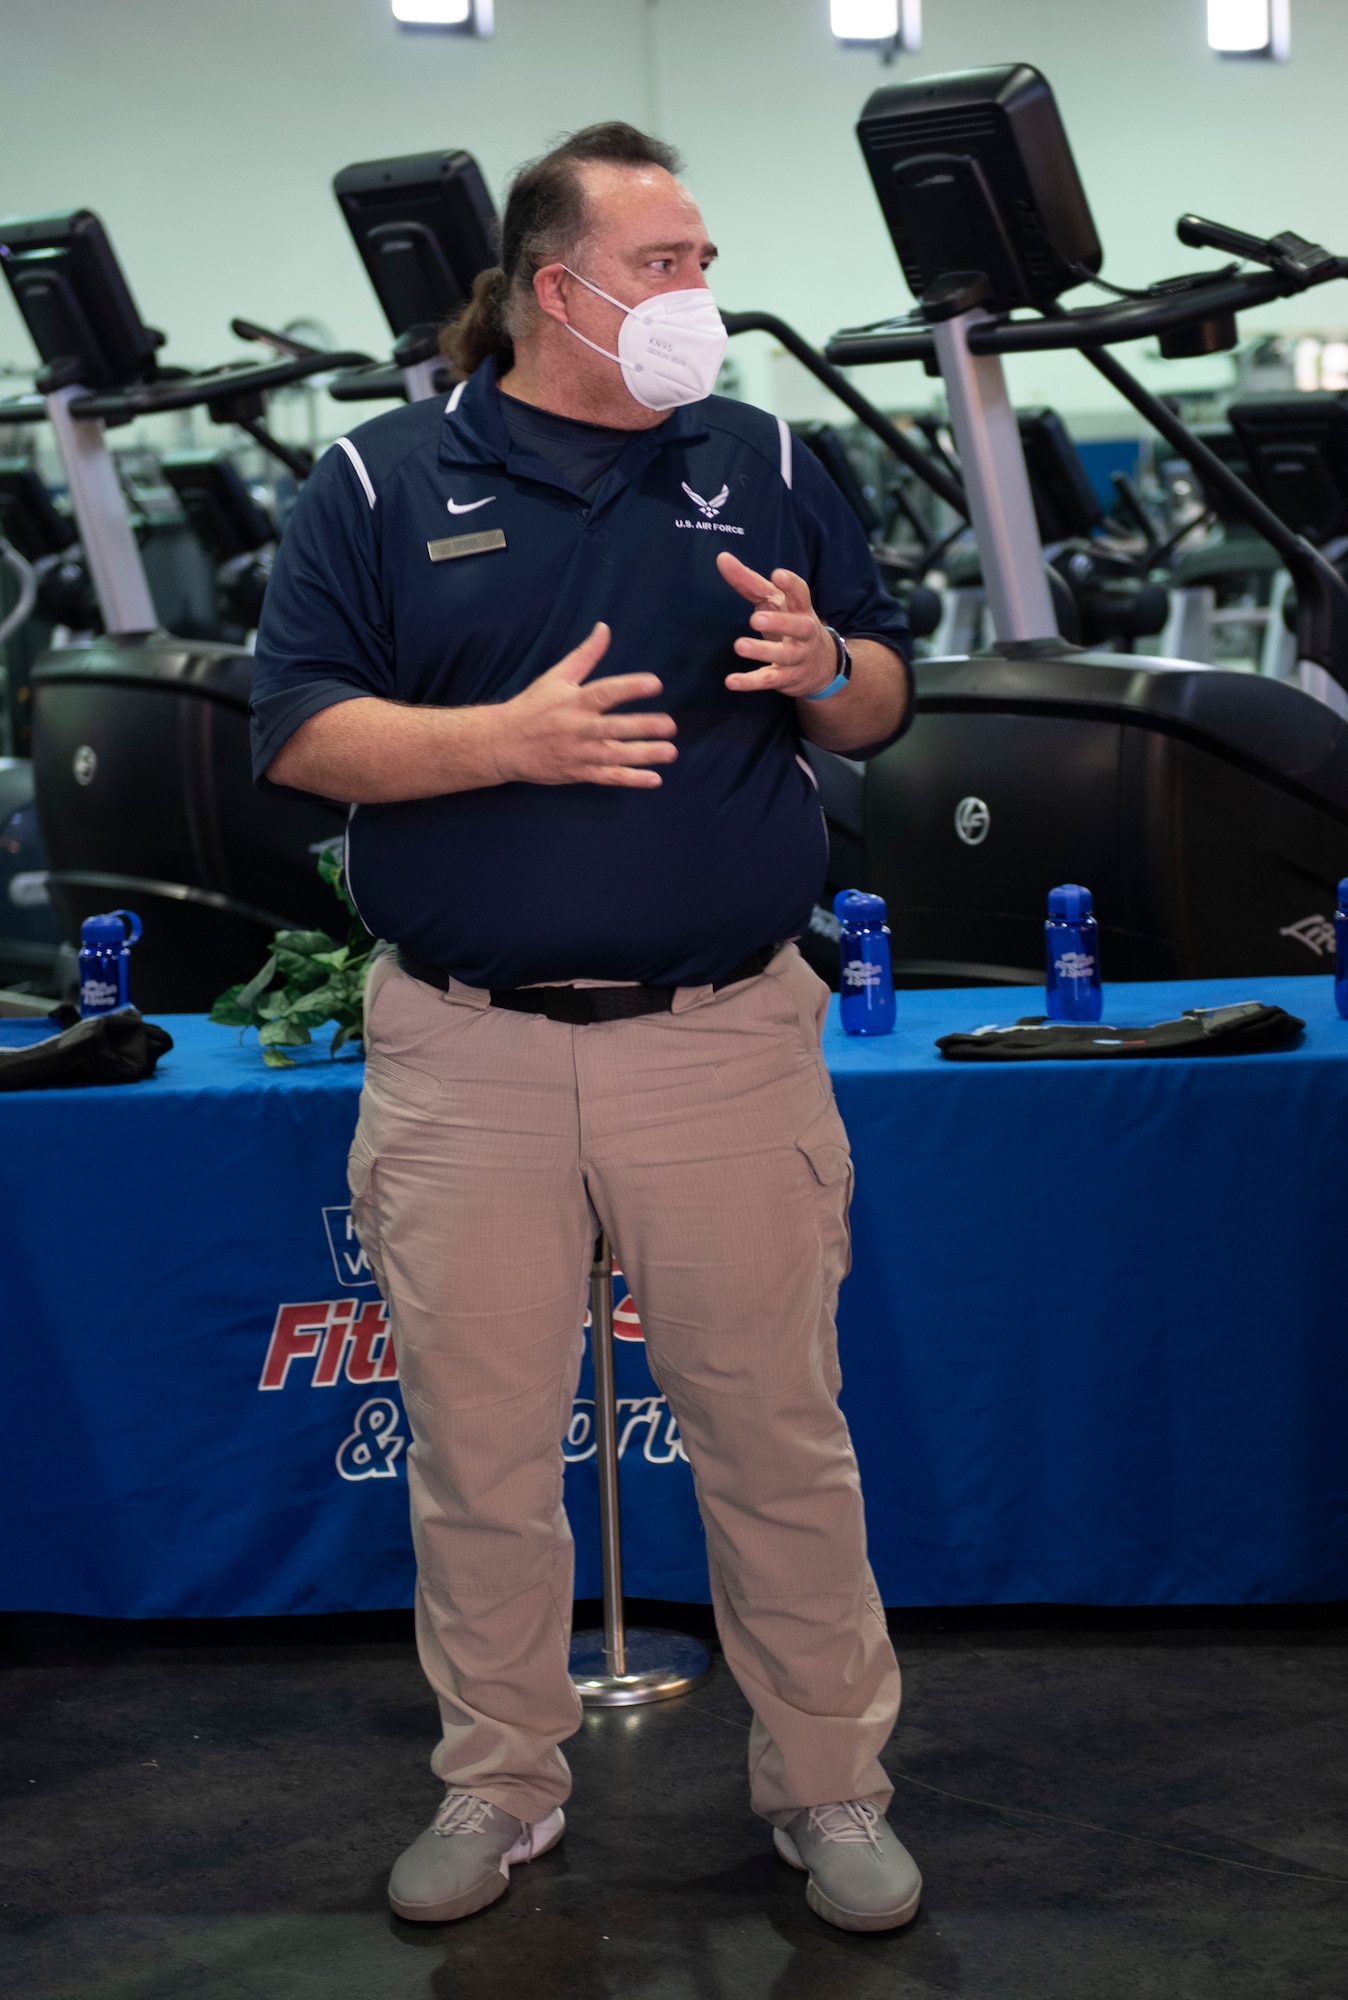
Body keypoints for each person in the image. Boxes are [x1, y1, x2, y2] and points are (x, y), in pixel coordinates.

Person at [250, 120, 920, 1935]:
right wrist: (501, 744)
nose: (702, 292)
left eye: (704, 259)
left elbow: (879, 692)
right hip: (468, 1059)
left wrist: (825, 676)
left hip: (722, 1040)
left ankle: (832, 1786)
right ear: (559, 290)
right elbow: (296, 730)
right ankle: (497, 1786)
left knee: (777, 1437)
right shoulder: (384, 483)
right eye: (666, 264)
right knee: (479, 1454)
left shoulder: (769, 456)